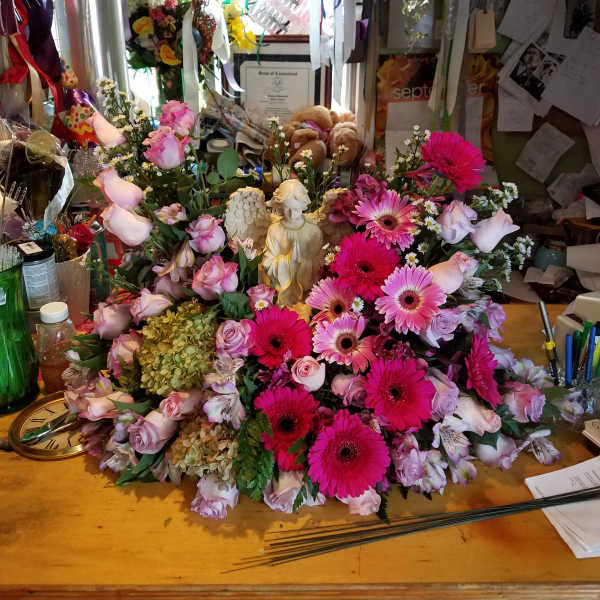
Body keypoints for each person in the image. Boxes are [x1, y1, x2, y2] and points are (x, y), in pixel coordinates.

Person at [260, 179, 323, 307]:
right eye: (287, 209)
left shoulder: (313, 231)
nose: (292, 214)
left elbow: (320, 262)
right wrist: (288, 260)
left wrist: (303, 262)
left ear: (303, 206)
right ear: (280, 207)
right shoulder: (274, 230)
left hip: (307, 293)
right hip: (282, 293)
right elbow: (266, 262)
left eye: (296, 209)